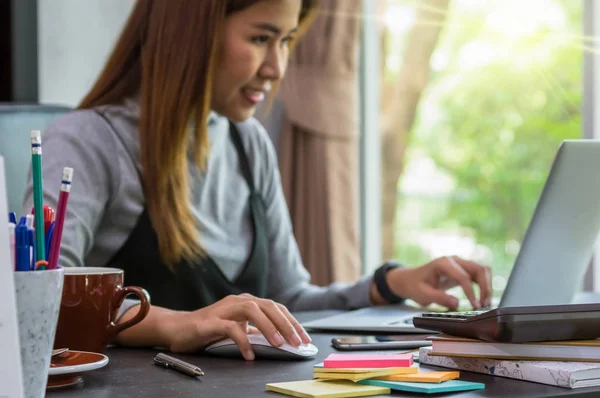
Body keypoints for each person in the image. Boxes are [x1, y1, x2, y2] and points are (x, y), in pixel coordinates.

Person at [24, 0, 491, 361]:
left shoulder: (249, 143)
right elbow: (37, 297)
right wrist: (178, 324)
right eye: (262, 37)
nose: (276, 68)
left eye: (286, 41)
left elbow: (288, 300)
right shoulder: (87, 143)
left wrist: (389, 285)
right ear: (193, 32)